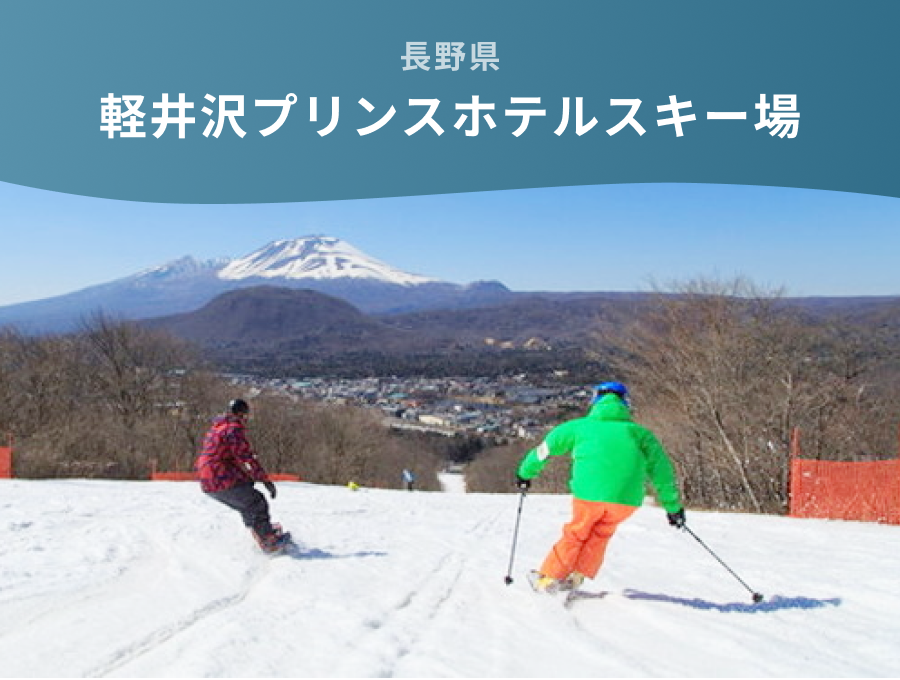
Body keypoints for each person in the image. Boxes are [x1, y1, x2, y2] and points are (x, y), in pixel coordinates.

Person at [515, 381, 685, 593]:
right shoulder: (640, 434)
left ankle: (549, 579)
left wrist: (525, 474)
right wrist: (672, 507)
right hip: (626, 500)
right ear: (625, 403)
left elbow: (545, 450)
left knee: (576, 533)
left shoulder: (579, 427)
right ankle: (577, 575)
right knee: (601, 533)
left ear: (595, 401)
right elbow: (662, 472)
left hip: (589, 495)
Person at [195, 398, 290, 553]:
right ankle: (267, 539)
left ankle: (259, 530)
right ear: (242, 414)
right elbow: (246, 457)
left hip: (208, 478)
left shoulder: (218, 427)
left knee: (247, 492)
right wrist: (265, 480)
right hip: (217, 477)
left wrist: (250, 478)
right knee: (256, 501)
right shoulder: (233, 430)